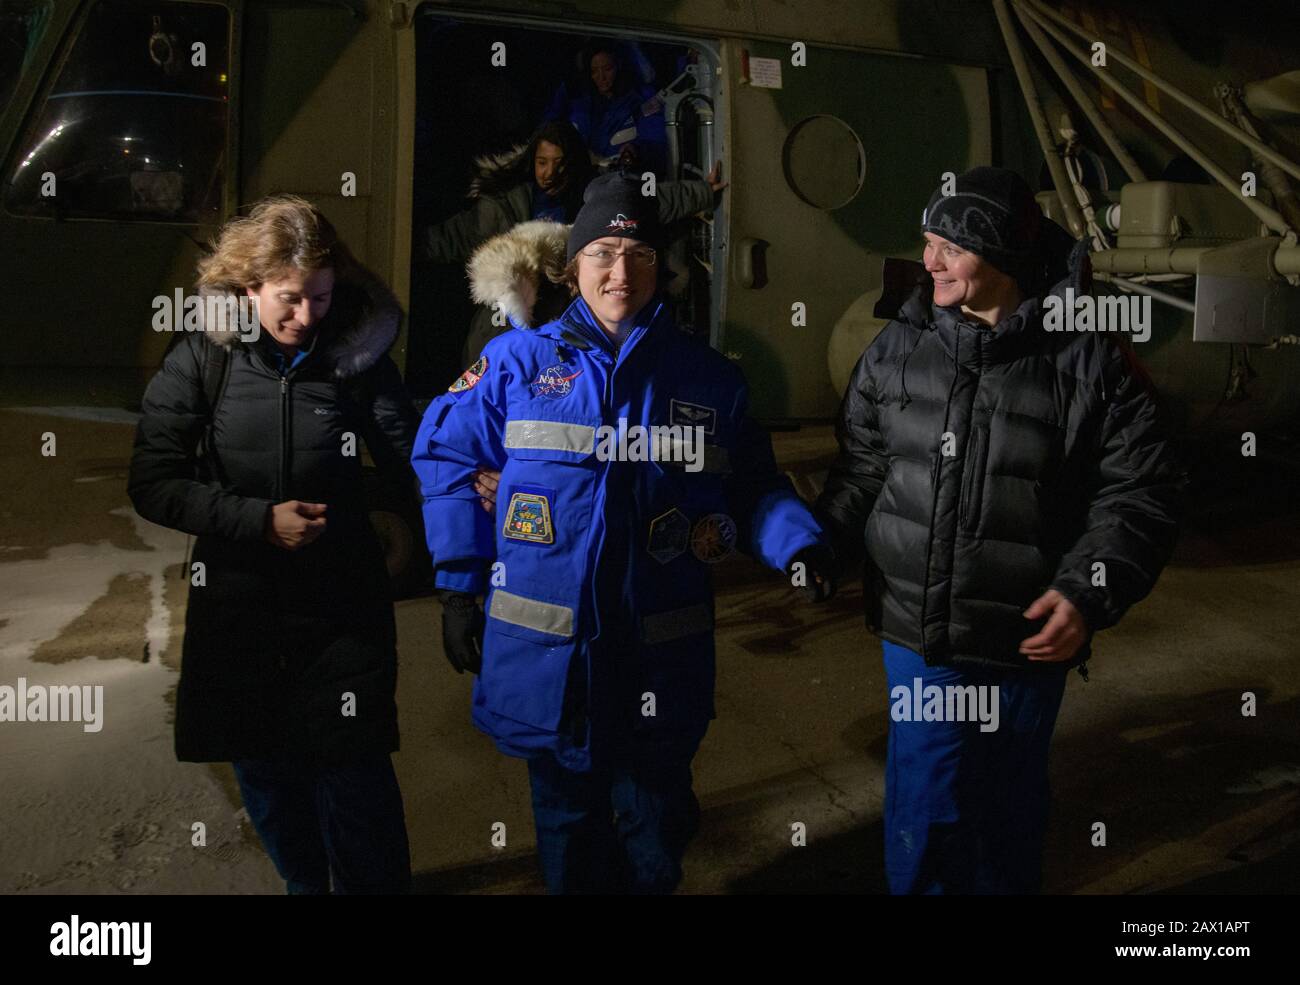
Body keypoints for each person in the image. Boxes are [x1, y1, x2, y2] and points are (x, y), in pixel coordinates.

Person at [412, 173, 836, 894]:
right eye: (602, 251)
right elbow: (446, 453)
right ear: (572, 265)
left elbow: (751, 485)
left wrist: (799, 540)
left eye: (639, 253)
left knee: (655, 827)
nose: (621, 270)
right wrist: (459, 581)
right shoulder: (519, 363)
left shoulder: (707, 379)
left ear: (659, 268)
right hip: (551, 663)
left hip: (657, 660)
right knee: (568, 828)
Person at [816, 166, 1188, 894]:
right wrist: (822, 539)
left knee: (1006, 814)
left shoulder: (1090, 359)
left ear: (1001, 257)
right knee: (926, 812)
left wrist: (1088, 591)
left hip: (1027, 638)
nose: (929, 264)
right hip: (918, 634)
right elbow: (862, 464)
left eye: (948, 249)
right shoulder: (898, 348)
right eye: (926, 244)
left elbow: (1141, 490)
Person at [128, 195, 420, 894]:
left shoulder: (356, 355)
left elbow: (411, 456)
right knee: (263, 765)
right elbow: (154, 480)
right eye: (289, 299)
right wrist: (257, 519)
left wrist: (469, 477)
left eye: (320, 296)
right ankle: (305, 883)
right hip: (240, 602)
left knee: (354, 769)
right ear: (249, 286)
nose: (307, 315)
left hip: (341, 601)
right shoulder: (205, 356)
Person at [422, 121, 724, 362]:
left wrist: (702, 192)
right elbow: (453, 236)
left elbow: (650, 202)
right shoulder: (504, 204)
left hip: (574, 308)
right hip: (513, 311)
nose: (549, 173)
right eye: (542, 163)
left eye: (559, 163)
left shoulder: (595, 196)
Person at [543, 43, 669, 175]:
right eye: (594, 71)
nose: (601, 77)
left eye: (607, 69)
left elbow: (656, 141)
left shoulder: (642, 99)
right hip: (578, 178)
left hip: (620, 178)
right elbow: (549, 132)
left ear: (619, 66)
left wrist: (636, 149)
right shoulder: (578, 104)